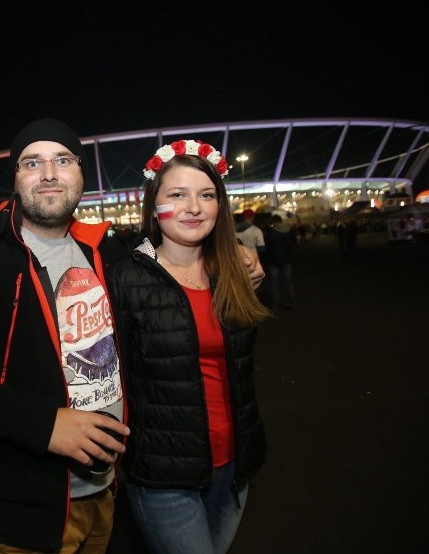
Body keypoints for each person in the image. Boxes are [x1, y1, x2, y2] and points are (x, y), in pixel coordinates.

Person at [0, 119, 266, 554]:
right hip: (27, 501)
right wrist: (45, 424)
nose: (49, 173)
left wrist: (234, 252)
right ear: (15, 178)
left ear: (81, 172)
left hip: (105, 487)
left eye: (62, 160)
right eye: (31, 163)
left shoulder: (105, 252)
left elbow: (169, 256)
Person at [108, 139, 271, 554]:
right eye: (176, 195)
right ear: (153, 205)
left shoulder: (234, 273)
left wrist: (241, 254)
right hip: (165, 477)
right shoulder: (123, 280)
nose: (193, 207)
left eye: (206, 195)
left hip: (235, 468)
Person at [263, 214, 297, 310]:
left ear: (274, 222)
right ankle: (292, 302)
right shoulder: (290, 231)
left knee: (274, 283)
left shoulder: (271, 232)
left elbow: (267, 247)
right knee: (289, 282)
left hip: (274, 260)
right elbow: (294, 244)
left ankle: (274, 304)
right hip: (287, 260)